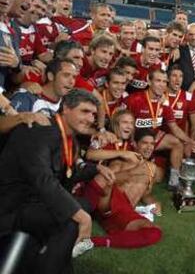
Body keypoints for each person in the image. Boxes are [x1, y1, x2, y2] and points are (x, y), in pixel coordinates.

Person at [0, 89, 114, 273]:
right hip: (12, 207)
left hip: (33, 203)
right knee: (73, 219)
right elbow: (42, 179)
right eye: (84, 111)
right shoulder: (39, 129)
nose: (91, 118)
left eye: (93, 114)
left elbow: (66, 173)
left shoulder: (70, 139)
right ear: (66, 108)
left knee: (82, 205)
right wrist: (81, 216)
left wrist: (96, 169)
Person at [127, 69, 195, 189]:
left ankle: (174, 181)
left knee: (177, 143)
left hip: (154, 138)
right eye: (158, 81)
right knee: (143, 176)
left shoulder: (164, 103)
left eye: (164, 82)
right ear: (149, 81)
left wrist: (190, 141)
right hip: (135, 141)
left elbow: (174, 128)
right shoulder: (134, 99)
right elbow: (124, 125)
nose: (162, 85)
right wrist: (132, 141)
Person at [11, 58, 77, 116]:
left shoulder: (70, 104)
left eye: (74, 77)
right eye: (66, 75)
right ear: (51, 76)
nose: (71, 81)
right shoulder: (27, 97)